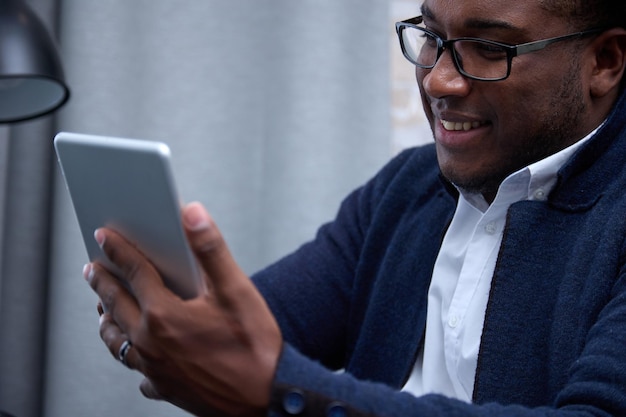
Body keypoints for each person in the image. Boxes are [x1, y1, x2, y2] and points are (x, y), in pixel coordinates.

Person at [83, 0, 626, 415]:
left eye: (490, 49)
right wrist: (174, 327)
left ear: (604, 62)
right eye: (432, 37)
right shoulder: (408, 186)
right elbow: (261, 330)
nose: (438, 78)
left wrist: (275, 387)